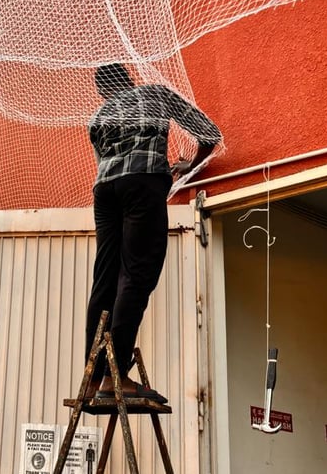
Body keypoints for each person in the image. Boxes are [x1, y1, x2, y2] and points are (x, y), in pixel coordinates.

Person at [85, 63, 221, 401]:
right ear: (130, 77)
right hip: (142, 182)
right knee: (136, 274)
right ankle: (114, 378)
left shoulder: (97, 119)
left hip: (104, 192)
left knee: (105, 279)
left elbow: (107, 160)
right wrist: (191, 163)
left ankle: (91, 377)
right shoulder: (156, 95)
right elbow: (208, 134)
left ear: (103, 91)